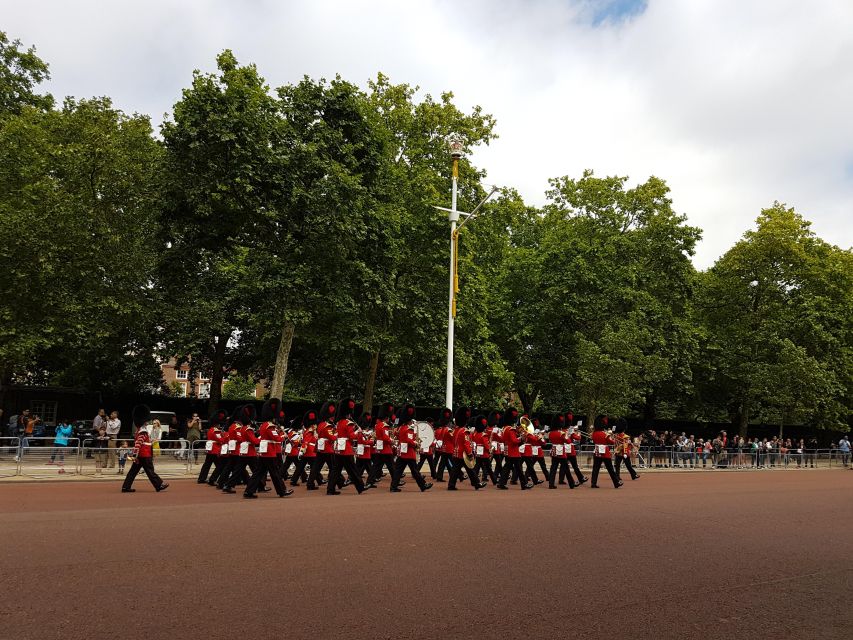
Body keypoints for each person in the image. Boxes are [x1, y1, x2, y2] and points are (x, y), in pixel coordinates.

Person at [244, 398, 292, 499]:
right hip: (269, 452)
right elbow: (276, 438)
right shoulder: (270, 426)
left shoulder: (263, 425)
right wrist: (284, 436)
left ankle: (249, 491)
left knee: (258, 473)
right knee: (275, 473)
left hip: (264, 452)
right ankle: (282, 491)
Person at [121, 405, 168, 493]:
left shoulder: (139, 430)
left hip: (140, 455)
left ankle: (126, 486)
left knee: (133, 471)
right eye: (146, 421)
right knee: (150, 471)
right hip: (144, 454)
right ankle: (159, 485)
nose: (148, 422)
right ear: (144, 421)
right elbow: (138, 443)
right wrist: (134, 455)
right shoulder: (143, 431)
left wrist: (135, 455)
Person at [326, 398, 367, 495]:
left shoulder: (339, 422)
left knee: (336, 471)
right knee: (353, 470)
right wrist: (359, 432)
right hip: (346, 449)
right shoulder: (349, 423)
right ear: (348, 413)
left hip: (339, 449)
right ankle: (360, 487)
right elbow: (352, 437)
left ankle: (330, 489)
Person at [390, 404, 432, 493]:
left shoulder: (401, 428)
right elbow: (409, 440)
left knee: (398, 471)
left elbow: (399, 437)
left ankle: (393, 487)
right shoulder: (408, 429)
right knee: (415, 471)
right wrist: (416, 443)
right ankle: (423, 485)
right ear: (409, 421)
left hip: (402, 453)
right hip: (408, 453)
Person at [447, 406, 484, 491]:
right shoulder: (465, 431)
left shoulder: (455, 430)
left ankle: (451, 485)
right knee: (470, 469)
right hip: (463, 454)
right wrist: (470, 454)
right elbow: (466, 444)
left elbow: (453, 441)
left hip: (456, 452)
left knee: (455, 470)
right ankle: (477, 483)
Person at [497, 409, 532, 490]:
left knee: (507, 468)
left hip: (507, 450)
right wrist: (522, 437)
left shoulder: (505, 428)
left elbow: (504, 439)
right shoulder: (510, 429)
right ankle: (524, 484)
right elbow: (514, 441)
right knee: (519, 469)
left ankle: (501, 483)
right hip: (513, 452)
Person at [197, 409, 228, 484]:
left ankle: (202, 478)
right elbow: (220, 440)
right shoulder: (216, 430)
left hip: (211, 449)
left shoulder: (210, 430)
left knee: (207, 465)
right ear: (216, 423)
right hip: (215, 450)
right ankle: (218, 479)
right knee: (220, 466)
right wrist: (225, 437)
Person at [368, 403, 396, 486]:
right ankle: (396, 482)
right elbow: (385, 437)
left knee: (375, 467)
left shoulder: (378, 425)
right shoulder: (384, 426)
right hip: (386, 449)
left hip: (380, 449)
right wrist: (392, 441)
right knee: (392, 467)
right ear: (386, 417)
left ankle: (369, 481)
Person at [590, 417, 621, 489]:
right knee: (610, 469)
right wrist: (611, 436)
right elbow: (612, 442)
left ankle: (593, 483)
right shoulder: (605, 434)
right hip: (605, 453)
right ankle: (616, 483)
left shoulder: (594, 433)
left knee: (595, 469)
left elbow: (594, 440)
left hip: (597, 452)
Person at [547, 415, 576, 490]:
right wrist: (566, 435)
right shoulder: (561, 433)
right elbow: (569, 441)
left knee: (553, 468)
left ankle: (551, 484)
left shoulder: (551, 433)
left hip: (554, 451)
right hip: (561, 452)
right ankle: (572, 483)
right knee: (566, 468)